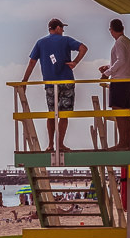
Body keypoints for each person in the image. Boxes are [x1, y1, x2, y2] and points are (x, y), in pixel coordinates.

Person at [22, 18, 89, 153]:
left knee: (51, 113)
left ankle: (51, 144)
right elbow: (83, 48)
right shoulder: (66, 40)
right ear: (57, 28)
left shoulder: (41, 43)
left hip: (50, 83)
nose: (63, 31)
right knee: (64, 114)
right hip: (66, 81)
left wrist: (25, 81)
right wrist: (75, 62)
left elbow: (32, 63)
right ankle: (60, 144)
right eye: (62, 28)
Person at [98, 18, 130, 149]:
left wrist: (106, 73)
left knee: (118, 111)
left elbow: (121, 61)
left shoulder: (119, 42)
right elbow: (122, 61)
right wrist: (108, 67)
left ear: (111, 30)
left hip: (120, 81)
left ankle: (123, 143)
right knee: (126, 112)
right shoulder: (127, 41)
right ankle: (127, 142)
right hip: (128, 79)